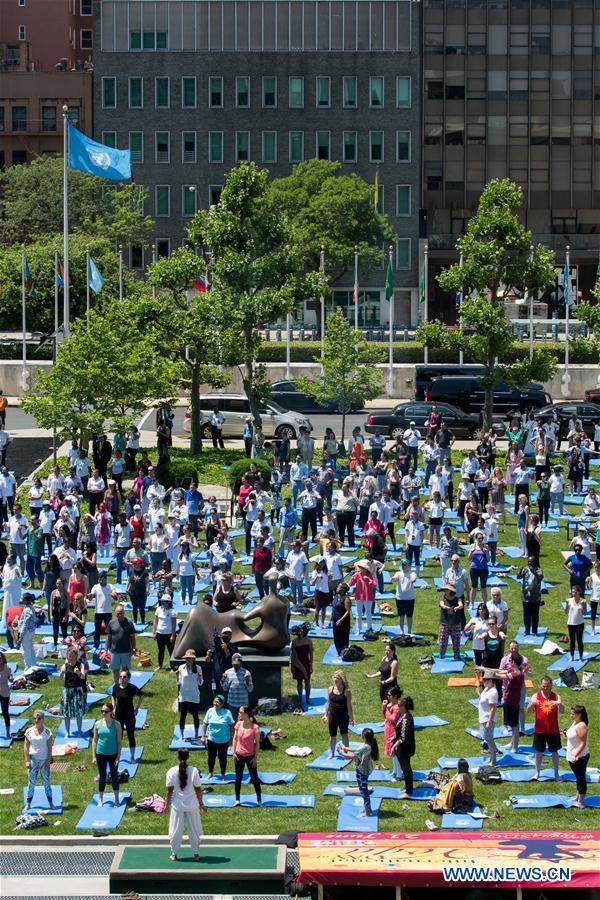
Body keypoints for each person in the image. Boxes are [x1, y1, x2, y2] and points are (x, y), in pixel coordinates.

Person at [165, 748, 206, 861]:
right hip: (192, 805)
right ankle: (196, 854)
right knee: (194, 830)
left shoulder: (171, 771)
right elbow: (198, 790)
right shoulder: (194, 771)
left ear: (178, 757)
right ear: (188, 757)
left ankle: (174, 854)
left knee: (176, 830)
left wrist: (167, 805)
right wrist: (201, 804)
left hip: (177, 806)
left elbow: (169, 791)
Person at [527, 676, 564, 781]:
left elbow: (562, 711)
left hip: (553, 730)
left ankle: (556, 774)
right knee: (538, 752)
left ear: (551, 686)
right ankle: (537, 773)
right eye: (544, 686)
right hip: (539, 730)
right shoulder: (536, 696)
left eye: (547, 686)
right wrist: (532, 703)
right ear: (541, 685)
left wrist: (559, 703)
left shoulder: (556, 696)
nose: (545, 688)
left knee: (555, 752)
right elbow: (529, 710)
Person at [337, 728, 379, 817]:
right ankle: (368, 808)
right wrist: (345, 748)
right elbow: (356, 749)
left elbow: (352, 756)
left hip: (363, 771)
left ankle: (367, 811)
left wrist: (341, 753)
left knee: (364, 791)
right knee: (362, 789)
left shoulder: (366, 747)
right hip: (363, 769)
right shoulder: (367, 745)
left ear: (363, 736)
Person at [91, 702, 122, 808]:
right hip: (101, 754)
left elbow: (119, 742)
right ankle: (100, 799)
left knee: (114, 776)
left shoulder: (117, 725)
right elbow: (94, 741)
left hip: (113, 754)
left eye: (106, 711)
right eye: (102, 711)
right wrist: (94, 756)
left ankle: (117, 799)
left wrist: (118, 757)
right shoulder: (97, 724)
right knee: (102, 776)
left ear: (111, 712)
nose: (103, 713)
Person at [23, 710, 55, 811]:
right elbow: (26, 747)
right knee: (31, 782)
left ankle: (50, 803)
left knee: (46, 781)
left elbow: (50, 748)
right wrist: (27, 760)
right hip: (33, 760)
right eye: (35, 718)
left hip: (44, 760)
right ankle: (28, 803)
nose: (37, 720)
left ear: (43, 719)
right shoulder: (29, 731)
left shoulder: (47, 732)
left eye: (39, 718)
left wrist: (48, 761)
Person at [232, 705, 262, 806]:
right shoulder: (238, 724)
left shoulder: (255, 727)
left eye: (240, 712)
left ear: (246, 714)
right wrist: (234, 752)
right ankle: (237, 800)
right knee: (238, 777)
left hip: (250, 756)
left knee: (254, 778)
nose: (239, 714)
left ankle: (259, 800)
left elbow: (257, 744)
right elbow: (235, 739)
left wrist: (255, 758)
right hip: (239, 755)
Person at [111, 667, 142, 764]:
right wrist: (114, 706)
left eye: (124, 677)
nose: (122, 678)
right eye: (120, 676)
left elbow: (141, 695)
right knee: (118, 736)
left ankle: (132, 756)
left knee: (130, 735)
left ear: (128, 678)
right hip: (119, 714)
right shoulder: (115, 687)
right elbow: (113, 696)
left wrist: (137, 708)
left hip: (129, 715)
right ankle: (117, 756)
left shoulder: (132, 688)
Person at [322, 670, 354, 759]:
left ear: (342, 680)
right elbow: (328, 703)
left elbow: (349, 705)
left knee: (344, 734)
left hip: (343, 716)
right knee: (332, 735)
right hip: (332, 715)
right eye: (334, 677)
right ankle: (332, 753)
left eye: (337, 678)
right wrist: (325, 715)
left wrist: (351, 718)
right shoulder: (330, 689)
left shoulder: (347, 691)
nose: (335, 679)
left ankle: (346, 753)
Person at [498, 651, 526, 753]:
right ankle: (512, 743)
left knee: (514, 727)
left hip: (512, 702)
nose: (509, 662)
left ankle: (515, 747)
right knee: (512, 725)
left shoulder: (517, 674)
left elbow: (501, 676)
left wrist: (490, 673)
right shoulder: (514, 670)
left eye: (511, 661)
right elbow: (502, 672)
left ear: (514, 662)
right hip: (508, 700)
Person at [201, 694, 234, 779]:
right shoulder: (210, 711)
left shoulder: (227, 713)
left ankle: (223, 774)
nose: (215, 703)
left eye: (218, 702)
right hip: (211, 739)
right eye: (214, 701)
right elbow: (205, 724)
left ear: (222, 704)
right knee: (211, 757)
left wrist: (231, 737)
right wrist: (203, 736)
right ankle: (210, 772)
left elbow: (231, 725)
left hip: (223, 740)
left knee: (222, 758)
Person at [563, 705, 590, 809]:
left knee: (581, 778)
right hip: (572, 755)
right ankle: (577, 796)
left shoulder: (581, 726)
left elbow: (582, 744)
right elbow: (574, 737)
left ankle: (581, 802)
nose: (571, 716)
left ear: (580, 715)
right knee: (578, 778)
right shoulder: (575, 722)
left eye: (573, 714)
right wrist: (565, 734)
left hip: (580, 757)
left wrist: (575, 755)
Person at [59, 646, 88, 738]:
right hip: (67, 691)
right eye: (69, 656)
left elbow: (83, 677)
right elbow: (60, 677)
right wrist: (62, 673)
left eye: (72, 656)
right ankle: (68, 732)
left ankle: (79, 731)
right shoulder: (65, 666)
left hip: (77, 690)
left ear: (76, 657)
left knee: (79, 713)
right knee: (66, 713)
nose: (70, 658)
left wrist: (78, 672)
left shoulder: (80, 665)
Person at [392, 695, 416, 797]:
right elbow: (399, 731)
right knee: (405, 768)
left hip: (405, 748)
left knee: (406, 769)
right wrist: (394, 737)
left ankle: (409, 792)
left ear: (404, 706)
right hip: (403, 747)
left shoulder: (407, 719)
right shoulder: (404, 716)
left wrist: (394, 746)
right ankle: (407, 788)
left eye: (399, 705)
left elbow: (403, 737)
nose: (397, 707)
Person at [106, 605, 136, 684]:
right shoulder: (111, 622)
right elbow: (108, 637)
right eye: (118, 613)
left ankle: (126, 686)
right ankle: (116, 686)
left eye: (121, 613)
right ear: (115, 613)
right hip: (114, 651)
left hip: (126, 651)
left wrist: (133, 649)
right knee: (115, 670)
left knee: (125, 670)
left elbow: (132, 637)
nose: (120, 615)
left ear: (124, 613)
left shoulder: (129, 622)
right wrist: (106, 649)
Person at [177, 649, 203, 743]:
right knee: (182, 716)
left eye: (190, 658)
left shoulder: (198, 668)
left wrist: (200, 677)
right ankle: (181, 735)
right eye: (187, 658)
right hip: (184, 695)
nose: (188, 660)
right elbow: (179, 682)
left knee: (195, 715)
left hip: (194, 694)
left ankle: (196, 734)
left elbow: (200, 683)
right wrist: (177, 676)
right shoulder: (181, 667)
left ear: (193, 659)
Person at [348, 559, 377, 637]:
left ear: (365, 568)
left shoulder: (370, 575)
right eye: (360, 567)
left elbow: (374, 585)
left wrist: (368, 579)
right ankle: (358, 629)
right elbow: (350, 584)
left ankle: (369, 629)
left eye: (361, 567)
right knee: (359, 614)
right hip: (359, 596)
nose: (360, 568)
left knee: (368, 614)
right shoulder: (357, 575)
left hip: (368, 596)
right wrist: (353, 577)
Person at [221, 653, 253, 721]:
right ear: (232, 663)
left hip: (243, 704)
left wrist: (247, 681)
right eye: (234, 664)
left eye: (237, 664)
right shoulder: (227, 672)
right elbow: (225, 688)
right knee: (232, 722)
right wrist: (223, 680)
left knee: (243, 723)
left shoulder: (246, 673)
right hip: (232, 703)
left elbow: (250, 689)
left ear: (241, 663)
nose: (235, 666)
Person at [517, 557, 544, 637]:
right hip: (526, 597)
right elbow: (518, 577)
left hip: (536, 597)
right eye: (528, 561)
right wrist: (520, 571)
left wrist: (533, 571)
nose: (529, 563)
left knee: (535, 615)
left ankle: (535, 631)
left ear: (535, 562)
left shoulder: (538, 570)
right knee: (526, 615)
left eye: (531, 562)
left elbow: (540, 577)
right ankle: (527, 630)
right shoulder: (525, 569)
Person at [477, 671, 499, 766]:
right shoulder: (487, 689)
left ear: (493, 681)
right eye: (484, 679)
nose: (485, 681)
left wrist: (489, 721)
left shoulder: (493, 692)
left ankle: (493, 760)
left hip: (487, 719)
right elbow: (483, 699)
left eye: (487, 679)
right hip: (483, 718)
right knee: (488, 739)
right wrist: (478, 692)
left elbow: (493, 708)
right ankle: (491, 759)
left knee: (489, 740)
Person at [290, 623, 313, 712]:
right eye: (300, 632)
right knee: (299, 682)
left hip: (306, 663)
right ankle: (300, 698)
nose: (300, 633)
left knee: (307, 681)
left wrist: (311, 665)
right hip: (297, 664)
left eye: (302, 632)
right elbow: (293, 655)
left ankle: (307, 698)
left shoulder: (309, 641)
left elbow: (311, 654)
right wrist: (292, 666)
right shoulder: (295, 642)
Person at [438, 583, 463, 661]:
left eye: (447, 589)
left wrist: (457, 607)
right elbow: (441, 604)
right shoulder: (443, 599)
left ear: (451, 591)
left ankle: (457, 656)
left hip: (456, 624)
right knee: (442, 641)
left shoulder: (457, 599)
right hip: (444, 624)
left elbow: (461, 605)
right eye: (445, 589)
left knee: (456, 641)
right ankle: (441, 656)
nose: (445, 590)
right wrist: (446, 607)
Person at [392, 560, 417, 635]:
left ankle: (409, 630)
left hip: (409, 599)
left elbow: (414, 577)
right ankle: (401, 630)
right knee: (401, 615)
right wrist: (393, 578)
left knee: (409, 616)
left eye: (405, 565)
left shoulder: (412, 573)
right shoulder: (399, 573)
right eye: (402, 565)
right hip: (399, 598)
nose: (403, 566)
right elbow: (395, 578)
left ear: (409, 566)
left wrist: (413, 579)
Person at [153, 595, 177, 670]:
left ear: (169, 602)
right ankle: (160, 665)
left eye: (165, 601)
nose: (163, 603)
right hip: (160, 634)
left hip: (169, 634)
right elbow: (155, 621)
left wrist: (173, 635)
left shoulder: (172, 611)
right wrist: (154, 632)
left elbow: (174, 625)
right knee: (161, 650)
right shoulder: (158, 609)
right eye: (162, 601)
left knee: (171, 651)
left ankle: (173, 667)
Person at [464, 603, 489, 667]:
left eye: (483, 609)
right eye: (480, 609)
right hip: (477, 644)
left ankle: (485, 676)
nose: (481, 611)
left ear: (486, 610)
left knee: (486, 663)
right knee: (478, 663)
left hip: (486, 644)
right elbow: (465, 629)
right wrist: (471, 625)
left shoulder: (489, 620)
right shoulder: (474, 619)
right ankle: (477, 677)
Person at [565, 585, 586, 664]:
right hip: (571, 623)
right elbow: (566, 612)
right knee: (572, 641)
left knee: (579, 640)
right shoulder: (569, 600)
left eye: (575, 592)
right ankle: (572, 656)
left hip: (580, 623)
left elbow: (584, 613)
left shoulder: (582, 601)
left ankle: (580, 657)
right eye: (572, 592)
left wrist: (583, 606)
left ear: (579, 592)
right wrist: (567, 605)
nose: (573, 593)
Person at [16, 593, 37, 669]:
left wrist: (21, 636)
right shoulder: (29, 608)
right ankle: (34, 664)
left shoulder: (27, 610)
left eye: (23, 599)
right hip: (30, 631)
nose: (22, 600)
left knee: (25, 650)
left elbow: (25, 624)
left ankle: (27, 666)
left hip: (26, 632)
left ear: (26, 600)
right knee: (30, 648)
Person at [331, 583, 352, 656]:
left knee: (343, 636)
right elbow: (333, 608)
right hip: (335, 619)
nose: (337, 588)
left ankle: (345, 652)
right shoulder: (336, 596)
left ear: (343, 589)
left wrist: (340, 620)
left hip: (343, 621)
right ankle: (339, 651)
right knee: (336, 636)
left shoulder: (346, 599)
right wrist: (331, 618)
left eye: (339, 587)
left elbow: (348, 611)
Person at [310, 558, 331, 628]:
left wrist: (330, 577)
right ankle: (316, 624)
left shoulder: (326, 571)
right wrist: (317, 577)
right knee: (318, 608)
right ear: (318, 563)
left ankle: (322, 623)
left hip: (326, 591)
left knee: (324, 609)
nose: (322, 564)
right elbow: (312, 583)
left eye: (323, 562)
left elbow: (329, 581)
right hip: (319, 591)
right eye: (321, 562)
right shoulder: (315, 572)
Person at [587, 559, 600, 636]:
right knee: (593, 614)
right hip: (594, 597)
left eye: (597, 567)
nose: (596, 569)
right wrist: (588, 581)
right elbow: (589, 587)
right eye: (595, 567)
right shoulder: (592, 576)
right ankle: (593, 630)